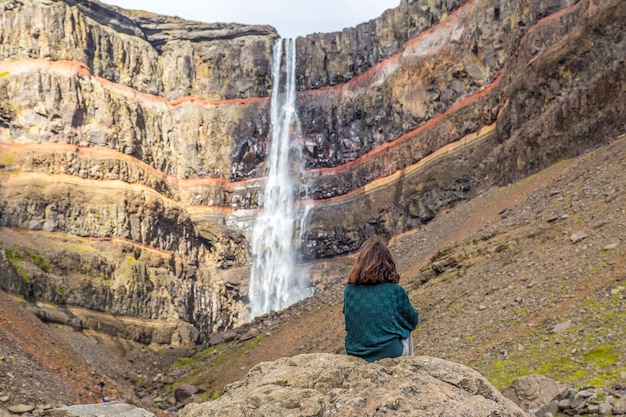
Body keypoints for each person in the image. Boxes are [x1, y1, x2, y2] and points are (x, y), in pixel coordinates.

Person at [343, 236, 419, 362]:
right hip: (389, 352)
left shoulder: (349, 291)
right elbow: (412, 321)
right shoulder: (395, 290)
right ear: (388, 263)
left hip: (355, 353)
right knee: (407, 332)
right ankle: (407, 369)